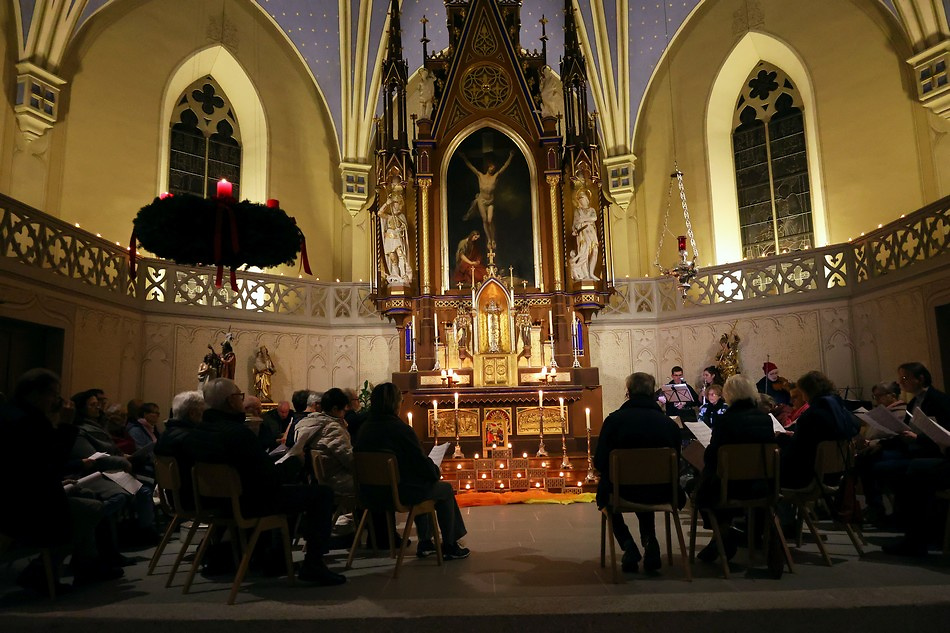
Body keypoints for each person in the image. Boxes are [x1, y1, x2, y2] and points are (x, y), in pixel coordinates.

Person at [158, 378, 345, 585]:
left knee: (294, 493)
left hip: (214, 501)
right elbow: (269, 479)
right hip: (246, 503)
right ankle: (313, 565)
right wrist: (294, 462)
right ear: (231, 401)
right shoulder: (237, 434)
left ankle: (273, 558)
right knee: (321, 494)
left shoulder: (197, 433)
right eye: (239, 396)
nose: (241, 400)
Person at [0, 369, 122, 591]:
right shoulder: (27, 421)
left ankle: (86, 564)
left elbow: (39, 466)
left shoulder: (16, 413)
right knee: (90, 508)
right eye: (54, 394)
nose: (57, 401)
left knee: (86, 496)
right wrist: (65, 425)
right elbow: (52, 461)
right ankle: (42, 570)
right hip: (21, 506)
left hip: (25, 494)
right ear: (35, 393)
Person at [354, 382, 470, 560]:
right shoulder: (400, 430)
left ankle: (426, 543)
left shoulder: (364, 429)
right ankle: (450, 544)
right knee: (443, 489)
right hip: (398, 494)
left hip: (369, 494)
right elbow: (420, 463)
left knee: (420, 483)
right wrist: (434, 471)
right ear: (395, 404)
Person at [594, 372, 682, 573]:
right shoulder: (669, 425)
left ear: (628, 392)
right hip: (662, 492)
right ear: (652, 393)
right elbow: (677, 463)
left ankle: (628, 545)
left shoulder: (614, 421)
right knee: (646, 484)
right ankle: (650, 541)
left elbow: (600, 462)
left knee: (607, 496)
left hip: (622, 492)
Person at [694, 374, 777, 563]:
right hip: (761, 485)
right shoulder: (765, 419)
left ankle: (723, 533)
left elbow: (712, 457)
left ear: (728, 394)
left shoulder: (725, 421)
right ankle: (723, 537)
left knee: (699, 488)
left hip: (731, 487)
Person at [775, 371, 860, 489]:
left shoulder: (810, 416)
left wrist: (782, 439)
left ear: (807, 392)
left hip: (809, 476)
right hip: (839, 474)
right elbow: (854, 427)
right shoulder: (840, 409)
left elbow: (796, 452)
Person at [289, 388, 354, 496]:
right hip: (337, 480)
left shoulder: (309, 423)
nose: (344, 414)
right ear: (335, 409)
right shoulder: (332, 428)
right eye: (344, 410)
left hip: (320, 479)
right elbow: (349, 460)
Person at [461, 150, 514, 250]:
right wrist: (464, 158)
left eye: (494, 168)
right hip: (481, 200)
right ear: (488, 167)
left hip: (490, 202)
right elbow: (471, 167)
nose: (492, 169)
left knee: (490, 220)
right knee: (485, 220)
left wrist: (510, 156)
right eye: (491, 167)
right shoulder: (480, 176)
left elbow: (504, 167)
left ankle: (493, 238)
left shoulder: (495, 177)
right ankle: (489, 239)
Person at [379, 191, 412, 285]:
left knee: (401, 255)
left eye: (397, 202)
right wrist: (386, 203)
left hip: (398, 238)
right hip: (389, 239)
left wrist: (401, 229)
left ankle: (403, 275)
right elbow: (380, 213)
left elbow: (405, 227)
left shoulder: (401, 216)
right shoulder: (388, 216)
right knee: (393, 259)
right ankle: (396, 276)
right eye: (394, 202)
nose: (396, 204)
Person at [568, 186, 599, 281]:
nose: (581, 201)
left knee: (594, 251)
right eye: (580, 199)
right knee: (584, 251)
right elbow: (575, 223)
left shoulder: (591, 210)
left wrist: (584, 220)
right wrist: (576, 228)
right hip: (582, 233)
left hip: (591, 232)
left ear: (587, 199)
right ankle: (584, 274)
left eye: (583, 199)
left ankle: (591, 273)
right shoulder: (578, 211)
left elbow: (594, 218)